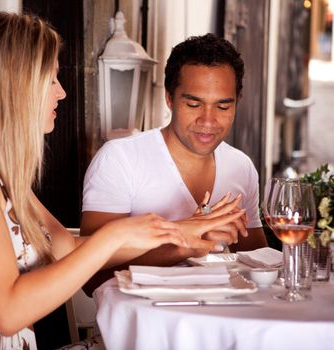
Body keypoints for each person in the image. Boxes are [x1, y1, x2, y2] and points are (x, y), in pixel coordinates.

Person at [0, 13, 247, 349]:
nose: (62, 92)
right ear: (13, 84)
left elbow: (68, 249)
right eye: (51, 79)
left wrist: (183, 234)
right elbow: (7, 312)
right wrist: (115, 234)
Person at [80, 33, 268, 294]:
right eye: (193, 104)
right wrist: (185, 244)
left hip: (221, 323)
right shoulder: (120, 159)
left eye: (223, 107)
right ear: (169, 98)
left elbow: (259, 265)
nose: (208, 121)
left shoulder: (241, 166)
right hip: (142, 328)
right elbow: (89, 279)